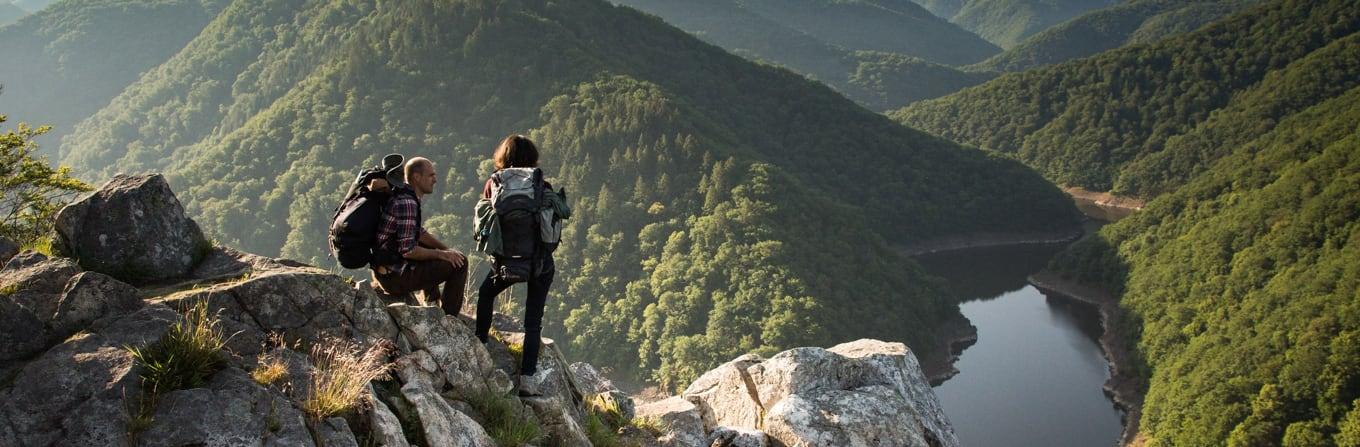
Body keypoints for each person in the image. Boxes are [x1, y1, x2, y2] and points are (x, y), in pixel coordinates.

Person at [474, 135, 558, 389]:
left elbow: (484, 226)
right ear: (532, 157)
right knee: (533, 322)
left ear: (503, 157)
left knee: (485, 294)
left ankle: (479, 347)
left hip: (504, 264)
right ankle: (528, 381)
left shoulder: (493, 184)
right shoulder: (542, 185)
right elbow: (552, 230)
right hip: (538, 264)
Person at [372, 157, 469, 315]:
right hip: (394, 279)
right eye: (431, 175)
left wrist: (446, 250)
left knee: (442, 251)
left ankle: (432, 302)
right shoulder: (408, 203)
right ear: (417, 177)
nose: (435, 180)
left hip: (388, 270)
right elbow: (408, 250)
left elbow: (418, 232)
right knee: (461, 263)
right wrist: (442, 255)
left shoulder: (405, 194)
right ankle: (449, 319)